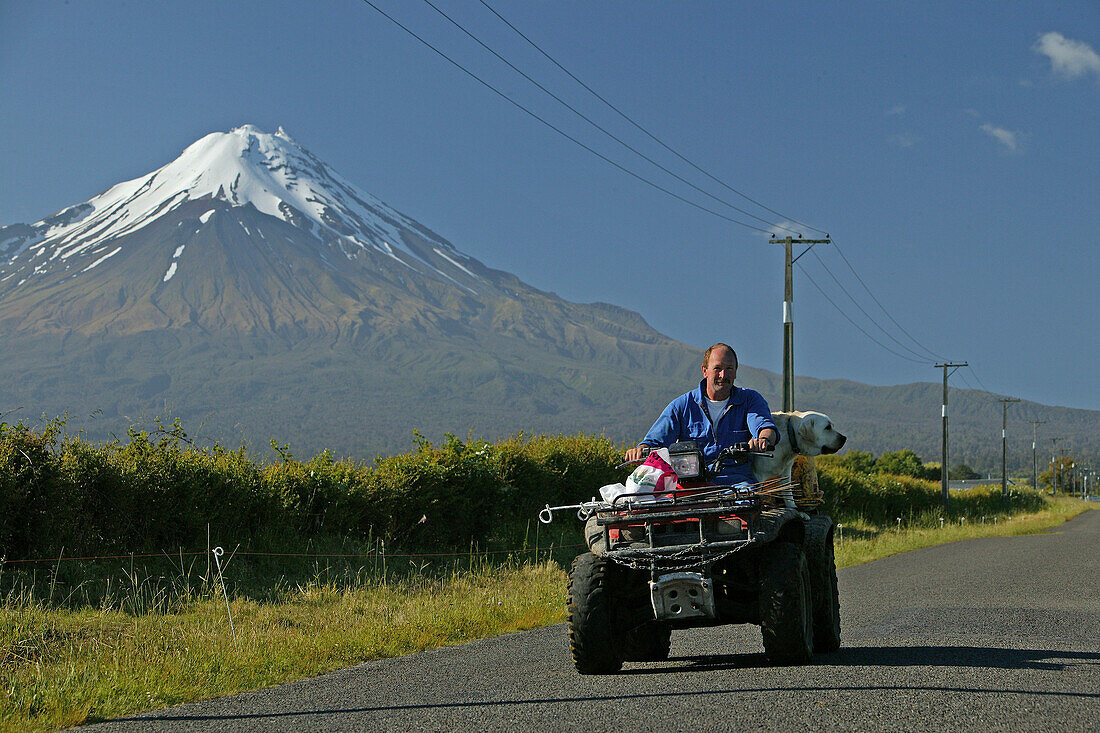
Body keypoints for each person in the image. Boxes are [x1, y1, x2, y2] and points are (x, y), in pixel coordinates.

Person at [625, 343, 778, 486]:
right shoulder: (682, 406)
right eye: (717, 368)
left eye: (729, 369)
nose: (723, 375)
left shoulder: (750, 400)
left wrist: (763, 440)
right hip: (691, 486)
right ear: (704, 371)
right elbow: (655, 440)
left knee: (748, 503)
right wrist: (640, 450)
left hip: (737, 484)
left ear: (736, 372)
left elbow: (764, 426)